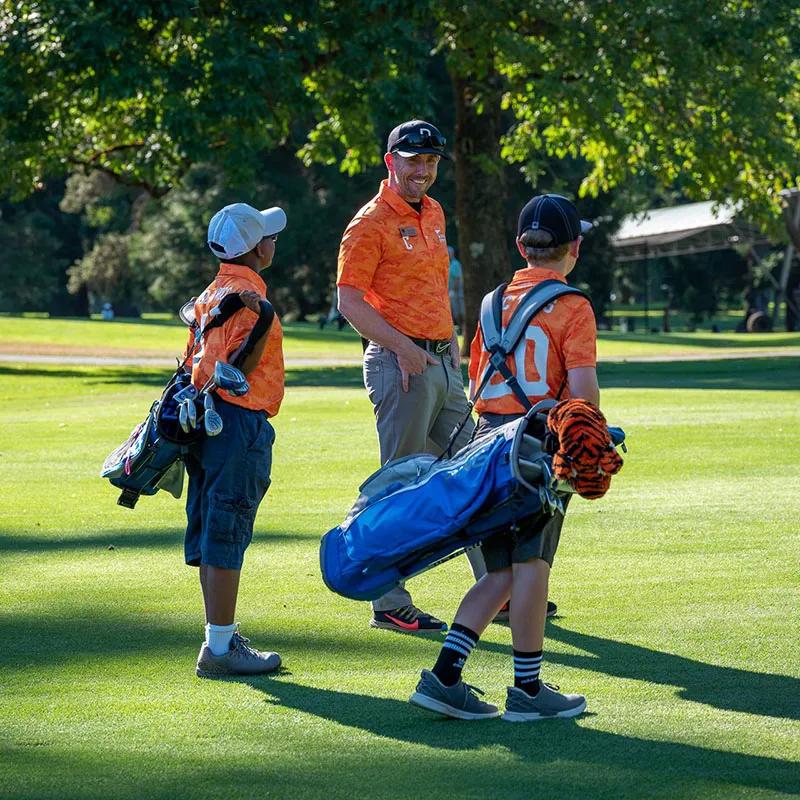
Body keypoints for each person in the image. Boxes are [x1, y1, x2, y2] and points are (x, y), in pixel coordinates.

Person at [409, 193, 598, 721]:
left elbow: (477, 384)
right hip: (539, 446)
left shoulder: (491, 301)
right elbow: (583, 397)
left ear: (521, 246)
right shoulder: (573, 305)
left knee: (498, 572)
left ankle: (445, 677)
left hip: (487, 445)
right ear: (574, 248)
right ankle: (528, 691)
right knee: (532, 564)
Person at [337, 119, 480, 634]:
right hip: (400, 365)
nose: (423, 170)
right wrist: (402, 347)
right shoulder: (369, 222)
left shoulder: (435, 211)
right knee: (398, 485)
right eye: (413, 160)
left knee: (476, 471)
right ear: (390, 161)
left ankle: (497, 591)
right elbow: (348, 300)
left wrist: (451, 349)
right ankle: (387, 601)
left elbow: (435, 289)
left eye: (431, 161)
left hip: (442, 363)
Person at [186, 202, 287, 678]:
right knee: (227, 529)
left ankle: (219, 638)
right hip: (236, 421)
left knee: (215, 530)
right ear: (255, 248)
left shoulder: (214, 289)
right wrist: (264, 320)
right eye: (268, 235)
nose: (273, 241)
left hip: (208, 423)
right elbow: (237, 374)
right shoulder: (249, 296)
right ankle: (221, 648)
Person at [447, 246, 465, 334]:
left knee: (459, 312)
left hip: (457, 293)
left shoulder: (455, 264)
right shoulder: (447, 264)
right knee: (453, 312)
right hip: (449, 292)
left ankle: (463, 329)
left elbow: (457, 278)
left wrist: (452, 290)